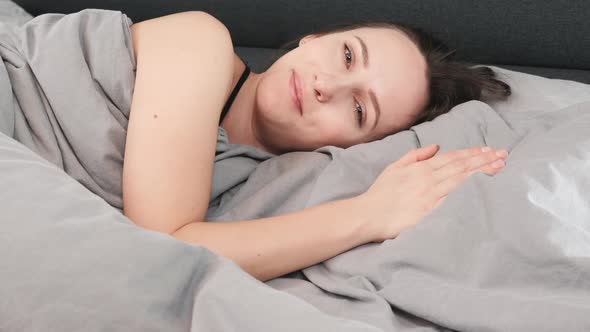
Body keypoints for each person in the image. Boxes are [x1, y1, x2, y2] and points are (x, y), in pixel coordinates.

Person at [122, 11, 511, 282]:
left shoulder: (263, 190)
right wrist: (368, 215)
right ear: (315, 38)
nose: (326, 85)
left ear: (356, 148)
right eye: (346, 55)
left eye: (359, 109)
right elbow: (161, 250)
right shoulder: (200, 41)